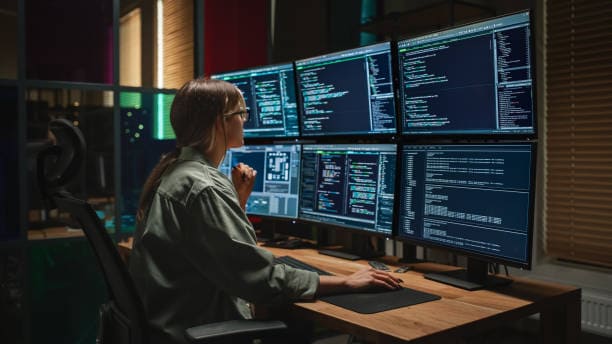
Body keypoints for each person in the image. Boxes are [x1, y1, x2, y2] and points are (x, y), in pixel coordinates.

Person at [128, 78, 402, 344]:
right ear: (218, 123)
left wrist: (237, 203)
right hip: (195, 330)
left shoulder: (176, 172)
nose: (245, 119)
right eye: (241, 113)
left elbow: (216, 250)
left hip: (172, 324)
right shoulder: (203, 187)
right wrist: (346, 282)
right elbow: (261, 279)